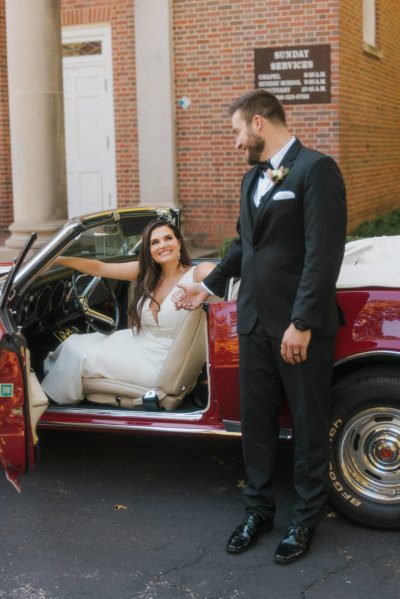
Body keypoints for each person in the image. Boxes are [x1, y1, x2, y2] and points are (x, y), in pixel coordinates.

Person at [174, 89, 347, 564]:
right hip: (251, 323)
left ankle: (307, 518)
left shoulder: (317, 170)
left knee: (309, 423)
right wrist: (206, 286)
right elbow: (242, 245)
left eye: (235, 132)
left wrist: (303, 321)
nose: (234, 144)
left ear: (257, 123)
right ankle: (259, 510)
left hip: (298, 329)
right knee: (256, 426)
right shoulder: (253, 177)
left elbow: (323, 253)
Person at [41, 219, 215, 405]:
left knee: (77, 353)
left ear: (179, 243)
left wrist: (204, 287)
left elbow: (220, 274)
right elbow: (101, 268)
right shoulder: (146, 273)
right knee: (71, 342)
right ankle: (49, 389)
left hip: (162, 362)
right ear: (148, 250)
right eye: (154, 242)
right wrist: (54, 259)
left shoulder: (198, 272)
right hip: (138, 341)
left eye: (168, 238)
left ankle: (52, 402)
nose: (162, 245)